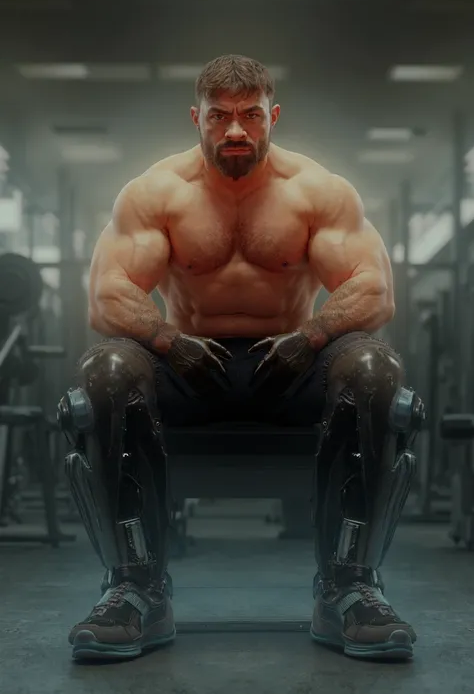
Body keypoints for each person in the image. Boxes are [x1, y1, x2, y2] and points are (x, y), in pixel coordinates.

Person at [58, 54, 424, 663]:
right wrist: (169, 342)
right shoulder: (156, 193)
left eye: (250, 115)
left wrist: (310, 337)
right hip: (189, 363)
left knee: (373, 371)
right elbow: (106, 294)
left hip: (292, 364)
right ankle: (135, 589)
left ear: (272, 116)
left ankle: (349, 588)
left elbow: (373, 288)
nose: (235, 131)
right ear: (195, 118)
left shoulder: (316, 191)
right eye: (220, 116)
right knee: (108, 372)